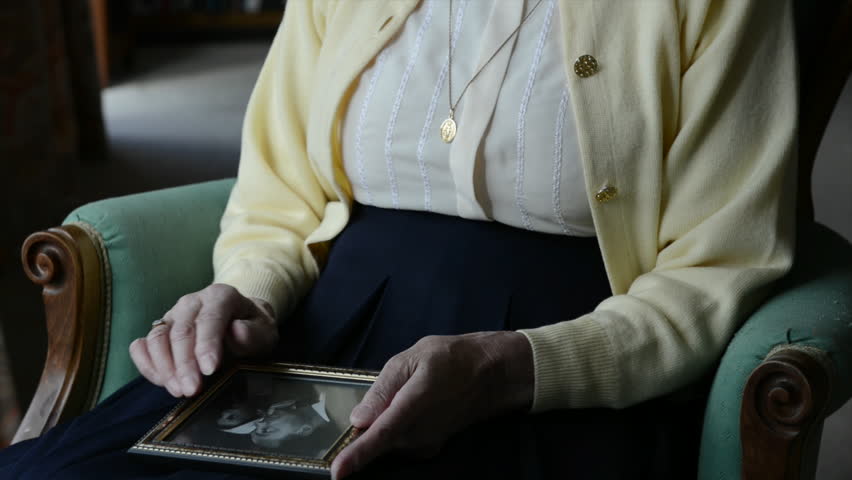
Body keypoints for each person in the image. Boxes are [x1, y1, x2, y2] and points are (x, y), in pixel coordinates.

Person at [1, 0, 797, 479]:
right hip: (322, 336)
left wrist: (505, 369)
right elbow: (280, 190)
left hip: (552, 374)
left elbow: (718, 264)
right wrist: (245, 291)